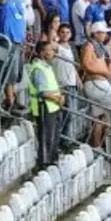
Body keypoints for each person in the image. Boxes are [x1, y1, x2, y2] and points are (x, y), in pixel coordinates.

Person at [27, 41, 65, 169]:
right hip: (44, 107)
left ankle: (52, 159)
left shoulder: (46, 67)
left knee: (53, 134)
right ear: (42, 52)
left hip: (53, 106)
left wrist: (59, 96)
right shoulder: (38, 68)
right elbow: (42, 92)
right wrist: (56, 98)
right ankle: (44, 163)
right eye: (49, 50)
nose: (52, 52)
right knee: (46, 136)